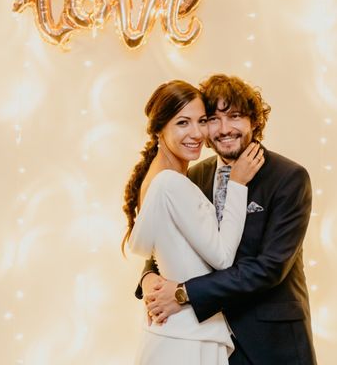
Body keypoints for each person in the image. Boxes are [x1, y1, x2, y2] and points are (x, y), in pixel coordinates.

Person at [136, 74, 317, 365]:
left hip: (270, 343)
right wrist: (148, 277)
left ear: (254, 122)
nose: (223, 129)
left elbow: (269, 268)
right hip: (210, 339)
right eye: (212, 118)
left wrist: (184, 294)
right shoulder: (195, 176)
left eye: (234, 116)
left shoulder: (289, 178)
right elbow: (171, 238)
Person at [123, 80, 265, 364]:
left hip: (179, 332)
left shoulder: (161, 179)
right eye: (183, 123)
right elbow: (223, 258)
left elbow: (165, 248)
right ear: (159, 129)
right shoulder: (170, 183)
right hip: (187, 338)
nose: (197, 133)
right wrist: (237, 183)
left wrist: (150, 276)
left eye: (202, 121)